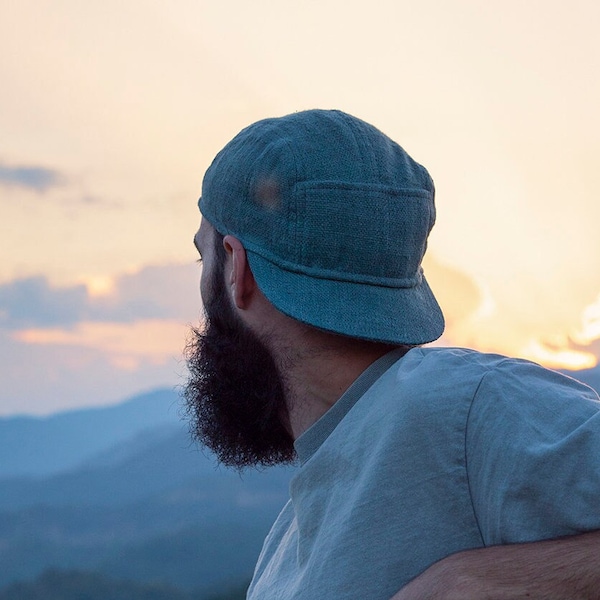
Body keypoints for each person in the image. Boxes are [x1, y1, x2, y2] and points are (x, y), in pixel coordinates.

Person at [183, 109, 600, 599]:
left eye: (201, 255)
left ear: (236, 267)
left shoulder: (465, 407)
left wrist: (472, 583)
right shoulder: (294, 529)